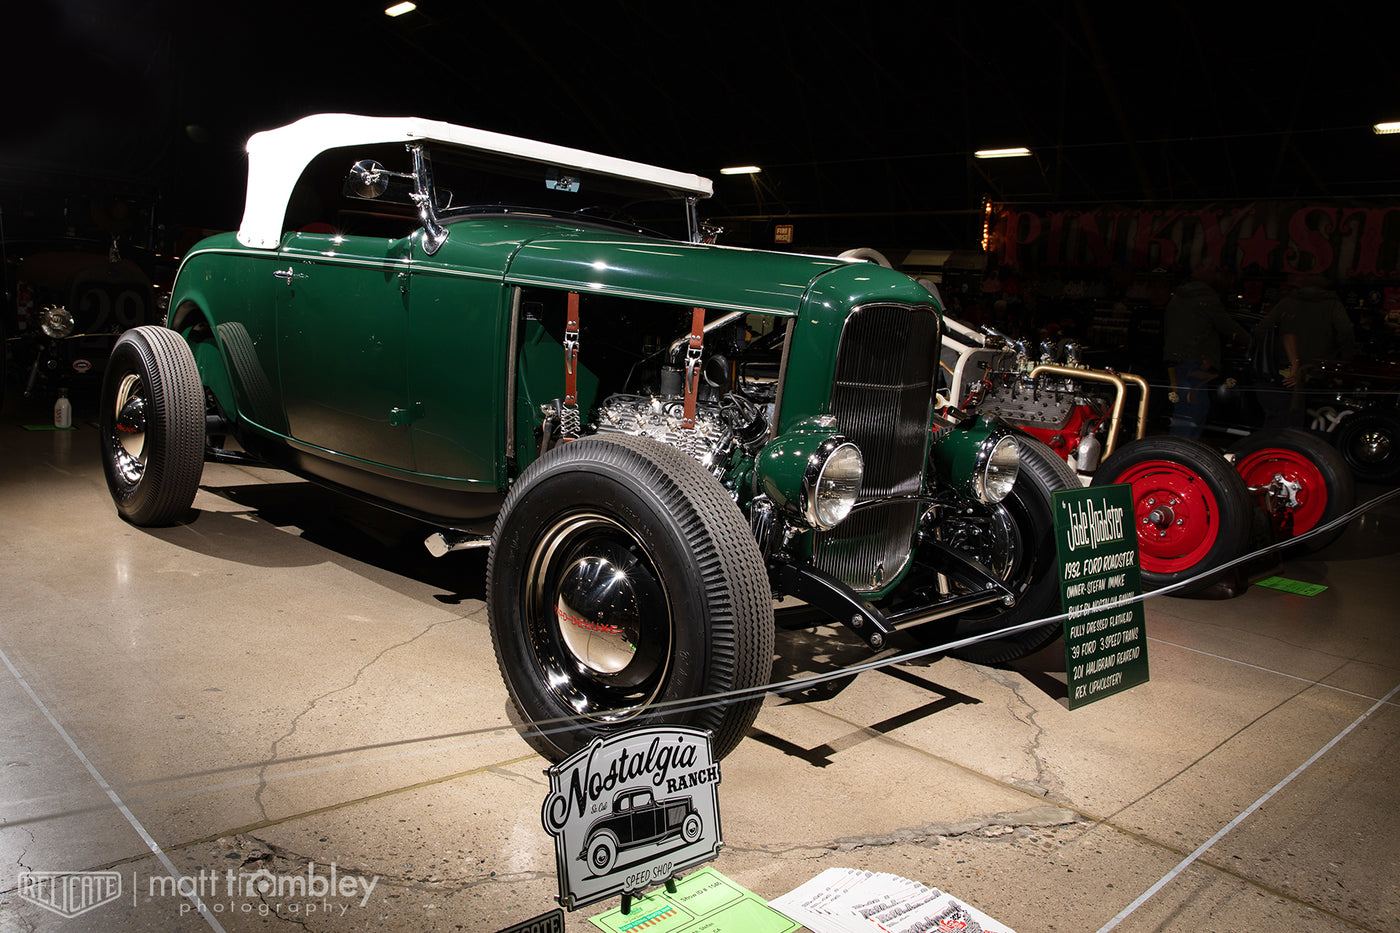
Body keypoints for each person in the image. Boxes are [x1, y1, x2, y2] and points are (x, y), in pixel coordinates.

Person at [1256, 275, 1356, 428]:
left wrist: (1273, 352)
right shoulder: (1332, 305)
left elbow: (1262, 330)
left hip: (1285, 367)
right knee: (1308, 413)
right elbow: (1346, 332)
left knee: (1282, 411)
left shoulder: (1288, 303)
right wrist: (1344, 358)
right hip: (1317, 369)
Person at [1161, 269, 1250, 438]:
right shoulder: (1205, 297)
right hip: (1194, 361)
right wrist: (1252, 341)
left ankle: (1179, 448)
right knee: (1193, 409)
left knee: (1187, 409)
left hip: (1177, 359)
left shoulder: (1179, 297)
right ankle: (1181, 450)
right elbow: (1227, 325)